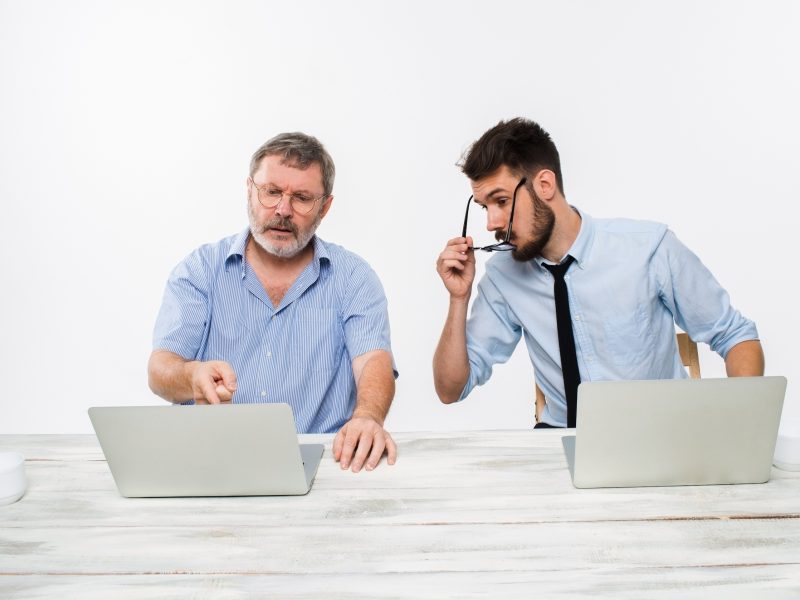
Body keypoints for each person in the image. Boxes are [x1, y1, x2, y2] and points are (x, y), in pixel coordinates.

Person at [433, 118, 764, 428]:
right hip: (561, 443)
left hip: (658, 436)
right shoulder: (503, 276)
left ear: (545, 185)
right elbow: (451, 389)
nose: (491, 222)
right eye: (484, 208)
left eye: (501, 201)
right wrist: (458, 299)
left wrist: (741, 432)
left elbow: (735, 336)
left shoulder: (648, 249)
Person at [148, 132, 397, 471]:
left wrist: (368, 417)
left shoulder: (353, 277)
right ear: (250, 191)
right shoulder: (200, 271)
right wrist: (192, 376)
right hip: (209, 463)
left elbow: (373, 362)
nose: (283, 210)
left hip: (324, 466)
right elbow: (160, 369)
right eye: (272, 192)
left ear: (325, 207)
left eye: (302, 198)